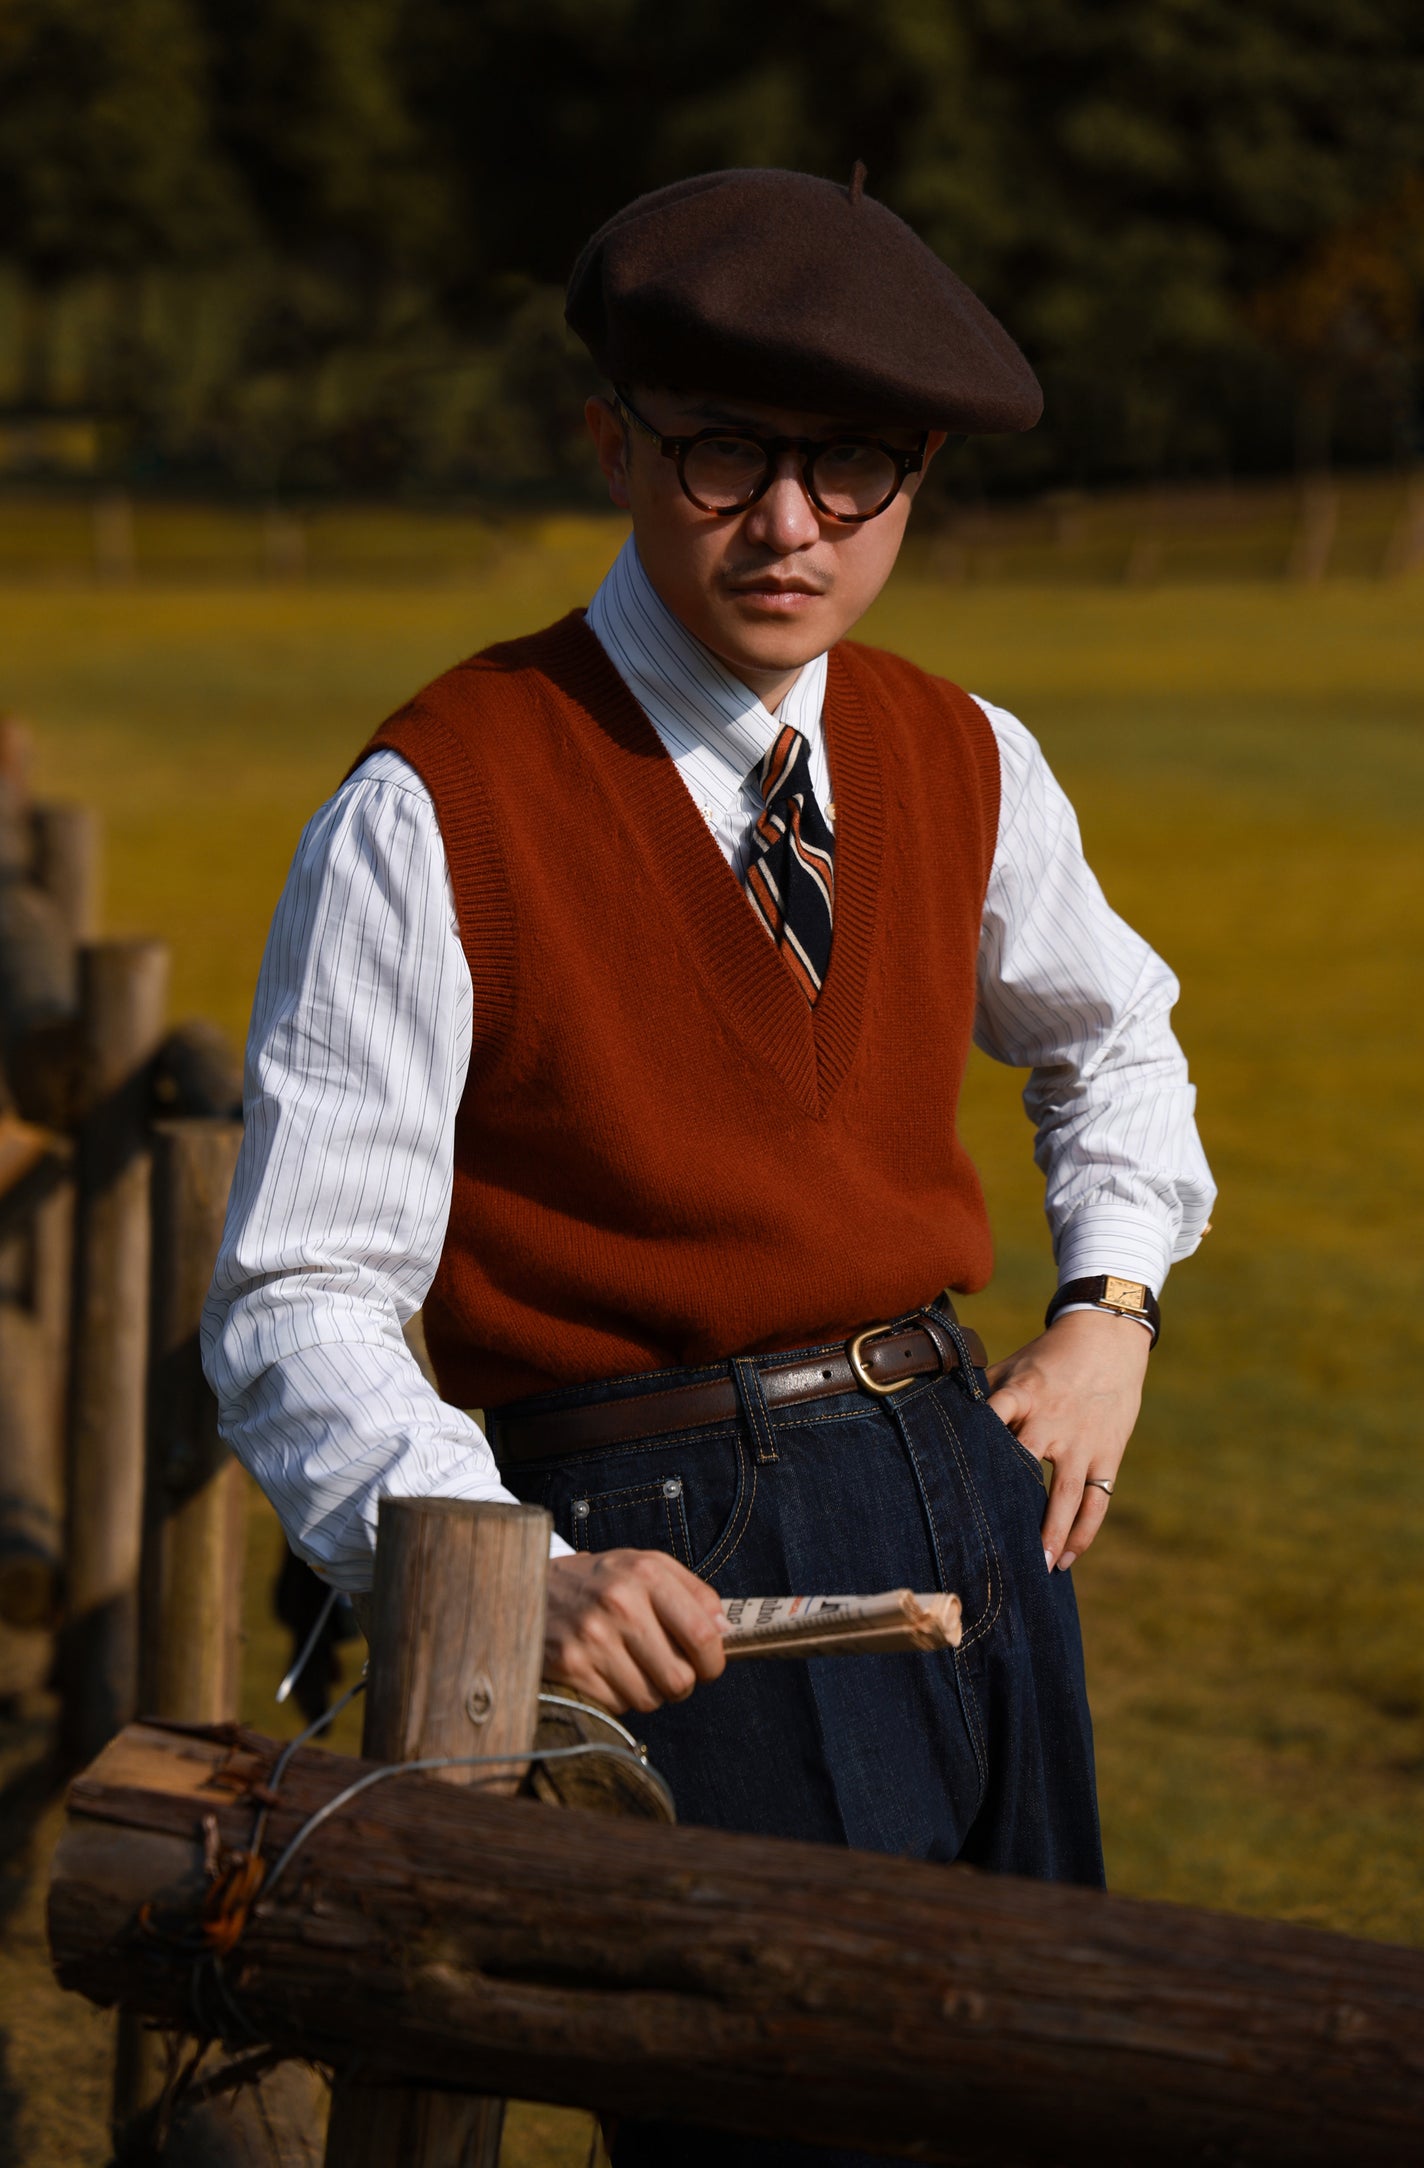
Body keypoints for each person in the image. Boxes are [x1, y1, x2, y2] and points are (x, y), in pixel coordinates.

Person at [202, 166, 1215, 2167]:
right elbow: (298, 1294)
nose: (785, 525)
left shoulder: (965, 753)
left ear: (917, 476)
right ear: (614, 442)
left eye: (851, 467)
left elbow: (1118, 1042)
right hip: (655, 1553)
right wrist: (508, 1575)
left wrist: (1108, 1308)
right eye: (722, 452)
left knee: (1046, 2085)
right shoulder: (441, 798)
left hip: (968, 1508)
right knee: (793, 2125)